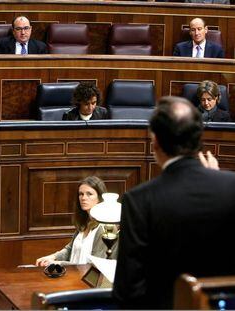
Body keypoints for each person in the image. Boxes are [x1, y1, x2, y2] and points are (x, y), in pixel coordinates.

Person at [112, 96, 235, 309]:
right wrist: (217, 181)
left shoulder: (139, 200)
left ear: (156, 142)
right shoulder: (231, 187)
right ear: (198, 139)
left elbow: (128, 291)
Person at [35, 176, 118, 267]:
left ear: (99, 197)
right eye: (81, 194)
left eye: (89, 194)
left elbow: (93, 266)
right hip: (73, 276)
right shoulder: (84, 223)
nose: (83, 198)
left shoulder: (105, 227)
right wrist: (53, 257)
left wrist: (60, 263)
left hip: (87, 279)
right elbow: (70, 249)